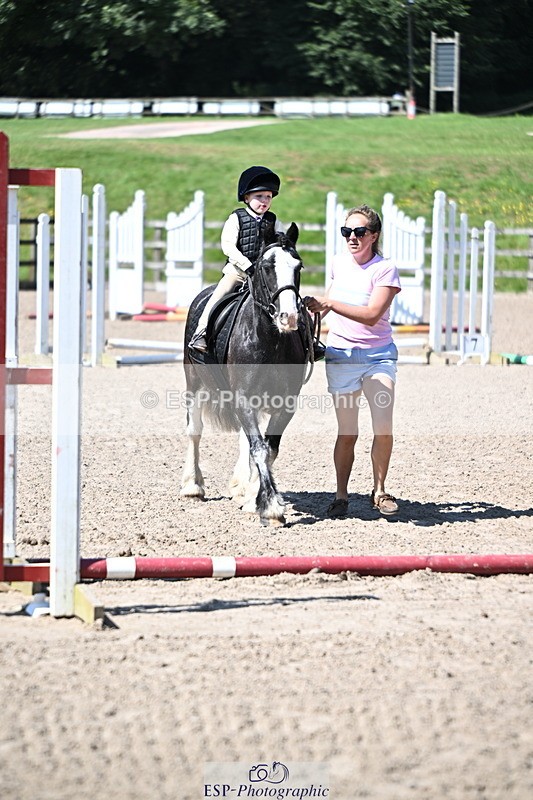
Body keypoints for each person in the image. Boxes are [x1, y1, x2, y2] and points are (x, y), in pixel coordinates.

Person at [305, 204, 401, 517]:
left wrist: (331, 302)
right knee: (347, 433)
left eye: (359, 232)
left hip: (377, 357)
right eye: (347, 232)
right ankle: (341, 495)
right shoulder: (338, 263)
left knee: (382, 426)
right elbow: (328, 303)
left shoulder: (385, 269)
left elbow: (373, 315)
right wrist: (314, 307)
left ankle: (380, 490)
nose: (352, 237)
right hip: (341, 356)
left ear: (373, 235)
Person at [189, 165, 284, 352]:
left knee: (287, 296)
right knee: (219, 294)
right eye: (259, 196)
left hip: (264, 276)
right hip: (238, 273)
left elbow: (278, 245)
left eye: (268, 197)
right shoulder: (236, 218)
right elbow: (228, 246)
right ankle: (201, 333)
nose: (264, 201)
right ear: (246, 198)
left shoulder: (273, 221)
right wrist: (246, 265)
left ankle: (304, 339)